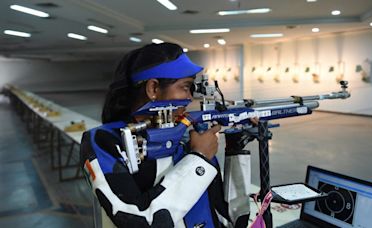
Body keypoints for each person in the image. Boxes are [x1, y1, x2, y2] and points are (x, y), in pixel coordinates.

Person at [80, 43, 251, 228]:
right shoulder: (104, 141)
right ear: (153, 88)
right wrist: (199, 159)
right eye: (185, 87)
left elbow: (229, 217)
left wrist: (236, 148)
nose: (189, 98)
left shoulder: (185, 137)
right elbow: (138, 221)